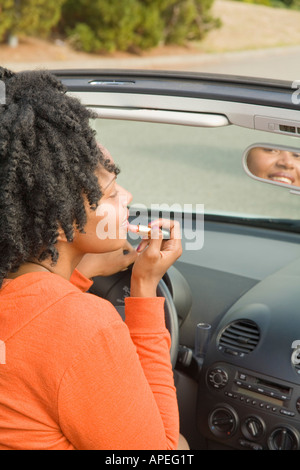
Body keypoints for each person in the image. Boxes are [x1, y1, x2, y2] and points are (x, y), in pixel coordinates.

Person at [0, 67, 186, 450]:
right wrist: (145, 288)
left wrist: (83, 269)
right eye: (112, 191)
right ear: (62, 213)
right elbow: (159, 453)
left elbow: (28, 326)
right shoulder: (84, 327)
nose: (129, 197)